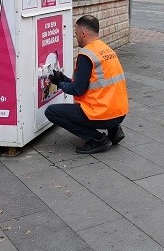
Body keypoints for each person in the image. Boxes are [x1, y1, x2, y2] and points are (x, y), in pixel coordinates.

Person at [44, 15, 128, 154]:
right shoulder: (106, 49)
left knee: (51, 112)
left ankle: (97, 139)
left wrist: (59, 83)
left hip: (102, 114)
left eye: (76, 34)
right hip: (119, 112)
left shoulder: (86, 55)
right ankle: (114, 130)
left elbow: (78, 90)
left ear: (83, 33)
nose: (76, 37)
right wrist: (64, 79)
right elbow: (91, 84)